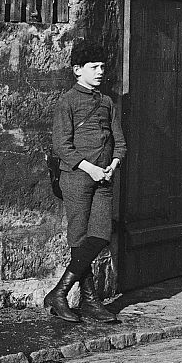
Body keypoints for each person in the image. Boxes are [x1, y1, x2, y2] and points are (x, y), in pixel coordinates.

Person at [43, 42, 126, 323]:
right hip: (78, 178)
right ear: (78, 71)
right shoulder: (67, 101)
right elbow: (61, 146)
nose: (100, 71)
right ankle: (89, 300)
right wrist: (90, 168)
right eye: (94, 67)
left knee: (99, 236)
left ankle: (59, 292)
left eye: (102, 66)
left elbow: (120, 142)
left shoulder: (106, 102)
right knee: (79, 239)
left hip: (104, 179)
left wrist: (113, 165)